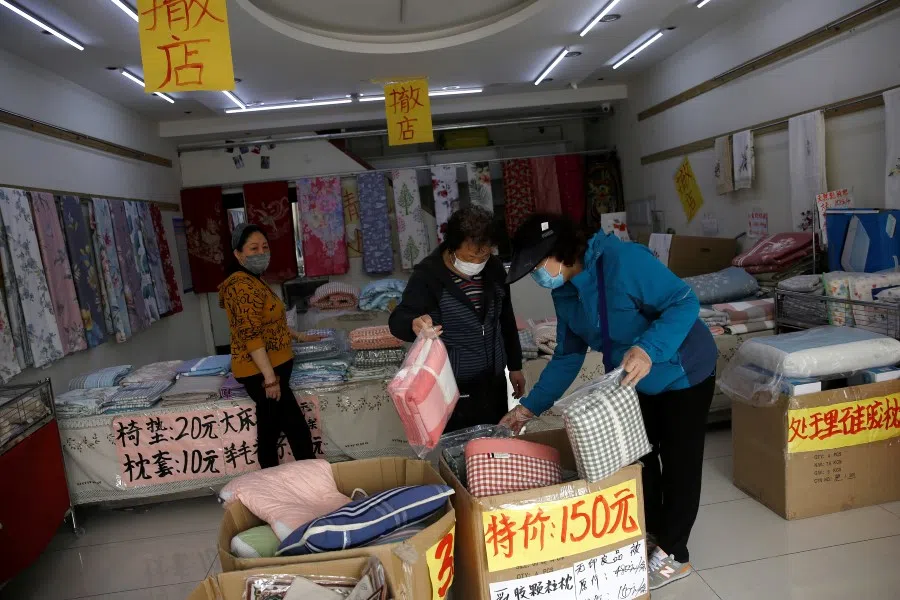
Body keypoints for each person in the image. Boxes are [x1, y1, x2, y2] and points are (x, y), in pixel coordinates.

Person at [499, 214, 717, 591]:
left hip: (684, 372)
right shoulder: (564, 291)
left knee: (680, 463)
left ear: (559, 253)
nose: (538, 275)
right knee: (638, 458)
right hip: (633, 381)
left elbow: (684, 301)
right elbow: (567, 356)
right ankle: (652, 534)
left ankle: (674, 554)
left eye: (537, 266)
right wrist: (527, 407)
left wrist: (649, 349)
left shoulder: (624, 261)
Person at [389, 205, 525, 431]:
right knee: (457, 451)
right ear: (453, 247)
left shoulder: (494, 269)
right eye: (472, 254)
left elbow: (506, 320)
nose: (479, 259)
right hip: (451, 386)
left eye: (485, 252)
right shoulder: (428, 276)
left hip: (493, 382)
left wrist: (515, 365)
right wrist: (414, 323)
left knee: (495, 448)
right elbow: (398, 319)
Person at [219, 223, 321, 468]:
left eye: (265, 247)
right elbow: (251, 335)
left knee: (271, 426)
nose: (261, 252)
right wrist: (270, 378)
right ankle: (312, 481)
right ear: (238, 254)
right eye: (253, 248)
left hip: (274, 366)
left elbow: (271, 321)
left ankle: (275, 485)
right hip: (261, 372)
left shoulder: (254, 279)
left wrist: (298, 337)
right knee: (294, 428)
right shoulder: (240, 286)